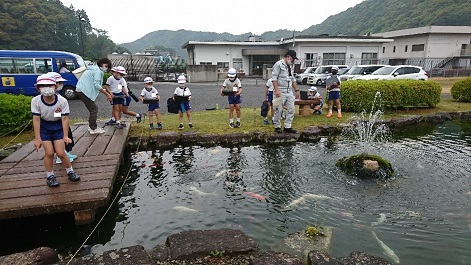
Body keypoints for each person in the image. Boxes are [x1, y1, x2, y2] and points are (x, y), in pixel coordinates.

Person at [31, 74, 80, 187]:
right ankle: (50, 176)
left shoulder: (62, 101)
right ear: (38, 88)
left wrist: (65, 135)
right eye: (43, 86)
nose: (46, 88)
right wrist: (38, 138)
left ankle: (70, 171)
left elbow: (64, 119)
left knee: (61, 153)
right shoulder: (36, 101)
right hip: (44, 128)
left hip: (57, 127)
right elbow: (36, 119)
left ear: (55, 86)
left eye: (49, 85)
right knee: (49, 153)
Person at [46, 72, 77, 164]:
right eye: (58, 83)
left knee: (68, 137)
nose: (60, 85)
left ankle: (66, 152)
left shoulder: (58, 96)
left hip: (62, 121)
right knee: (59, 139)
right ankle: (60, 157)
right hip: (56, 123)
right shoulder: (49, 97)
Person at [75, 58, 113, 134]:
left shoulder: (92, 68)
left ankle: (91, 126)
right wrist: (107, 94)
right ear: (101, 63)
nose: (105, 68)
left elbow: (97, 84)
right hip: (83, 91)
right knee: (94, 109)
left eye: (107, 67)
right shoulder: (97, 71)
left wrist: (106, 92)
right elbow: (97, 85)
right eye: (105, 66)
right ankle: (93, 128)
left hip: (81, 90)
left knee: (92, 109)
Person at [271, 50, 300, 133]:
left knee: (291, 109)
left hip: (289, 91)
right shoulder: (278, 65)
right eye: (293, 59)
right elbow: (274, 78)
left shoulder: (290, 66)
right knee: (278, 109)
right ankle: (277, 126)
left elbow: (293, 79)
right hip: (279, 90)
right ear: (288, 57)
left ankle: (288, 126)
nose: (293, 61)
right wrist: (276, 90)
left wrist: (296, 90)